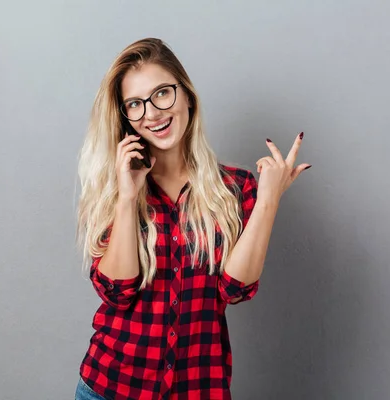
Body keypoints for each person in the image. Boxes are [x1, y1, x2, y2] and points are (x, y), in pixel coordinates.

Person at [74, 38, 311, 400]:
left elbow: (235, 289)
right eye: (135, 104)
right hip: (112, 388)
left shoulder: (235, 188)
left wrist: (268, 202)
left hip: (199, 389)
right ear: (127, 118)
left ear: (187, 95)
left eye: (162, 94)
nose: (152, 113)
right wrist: (127, 197)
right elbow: (116, 291)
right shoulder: (113, 187)